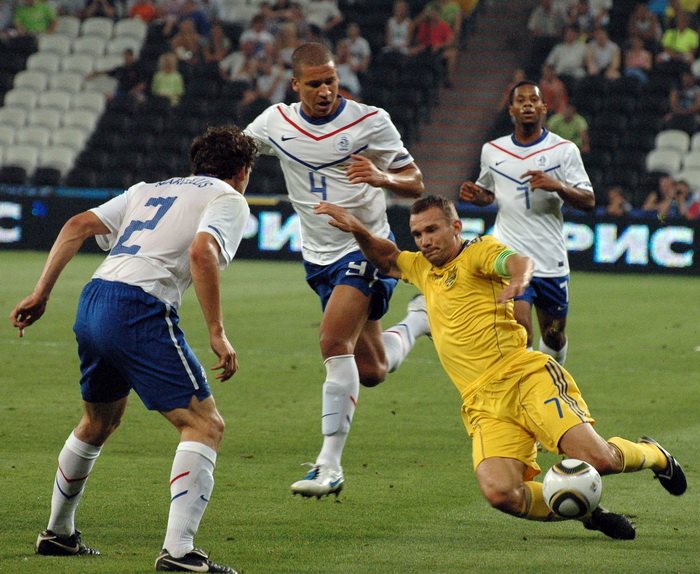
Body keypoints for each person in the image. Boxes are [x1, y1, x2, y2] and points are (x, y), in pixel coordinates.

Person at [314, 193, 687, 540]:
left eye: (432, 230)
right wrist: (358, 229)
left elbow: (518, 262)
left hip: (525, 378)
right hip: (482, 403)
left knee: (597, 459)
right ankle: (585, 510)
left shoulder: (479, 253)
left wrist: (520, 279)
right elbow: (387, 258)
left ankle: (653, 455)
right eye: (418, 234)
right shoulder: (422, 267)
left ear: (456, 227)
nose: (425, 241)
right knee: (502, 493)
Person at [8, 125, 258, 573]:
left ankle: (58, 534)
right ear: (242, 171)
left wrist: (41, 292)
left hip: (95, 298)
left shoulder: (149, 189)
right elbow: (202, 252)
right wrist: (217, 331)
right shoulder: (228, 198)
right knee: (204, 424)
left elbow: (77, 225)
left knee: (98, 421)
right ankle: (179, 553)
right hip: (139, 307)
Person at [244, 42, 429, 498]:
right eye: (314, 84)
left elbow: (416, 183)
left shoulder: (371, 121)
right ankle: (420, 319)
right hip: (318, 257)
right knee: (372, 370)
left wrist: (382, 177)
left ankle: (328, 465)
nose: (325, 91)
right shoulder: (275, 122)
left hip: (366, 248)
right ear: (295, 85)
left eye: (330, 81)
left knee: (331, 341)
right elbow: (238, 153)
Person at [459, 81, 595, 365]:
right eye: (520, 100)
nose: (528, 105)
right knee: (520, 331)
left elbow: (588, 200)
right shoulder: (492, 151)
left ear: (544, 107)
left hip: (550, 258)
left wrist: (558, 186)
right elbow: (489, 193)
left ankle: (552, 372)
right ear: (511, 109)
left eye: (533, 100)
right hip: (510, 256)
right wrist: (478, 196)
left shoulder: (564, 150)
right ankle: (529, 386)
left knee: (553, 335)